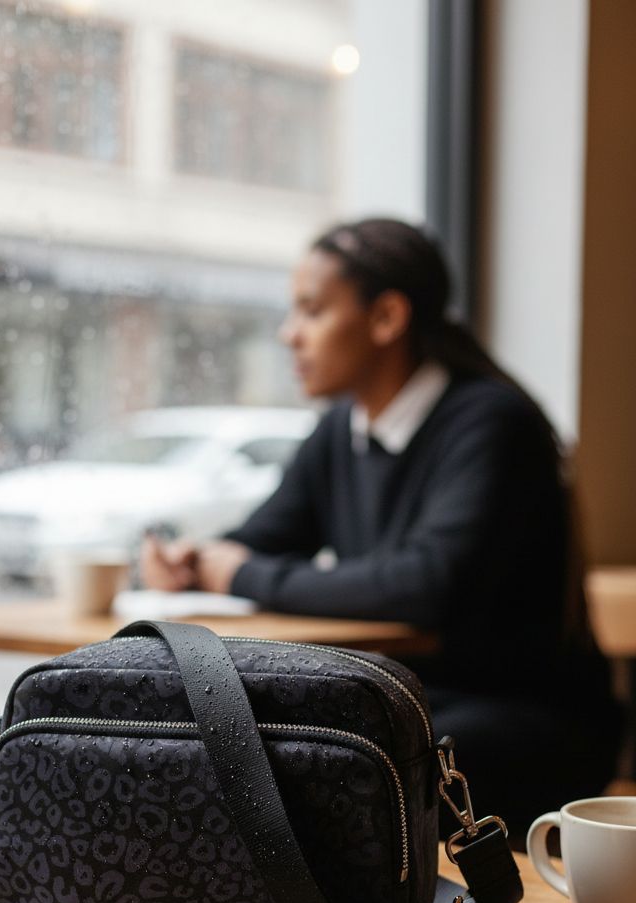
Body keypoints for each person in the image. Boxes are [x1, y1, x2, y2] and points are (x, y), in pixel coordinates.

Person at [140, 218, 622, 845]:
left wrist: (239, 573)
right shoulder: (342, 428)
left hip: (521, 720)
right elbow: (263, 536)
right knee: (241, 746)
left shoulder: (490, 423)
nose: (289, 333)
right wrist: (190, 561)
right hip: (412, 706)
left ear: (387, 317)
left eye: (312, 311)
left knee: (317, 767)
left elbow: (424, 584)